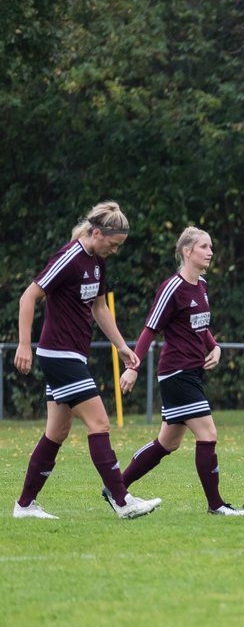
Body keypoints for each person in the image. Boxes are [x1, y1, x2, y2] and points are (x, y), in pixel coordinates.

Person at [11, 201, 162, 520]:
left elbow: (99, 307)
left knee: (56, 432)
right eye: (113, 243)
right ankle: (122, 501)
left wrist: (121, 346)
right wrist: (24, 344)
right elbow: (29, 296)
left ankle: (25, 505)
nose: (115, 250)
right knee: (99, 422)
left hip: (71, 355)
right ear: (96, 232)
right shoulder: (69, 257)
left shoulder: (97, 261)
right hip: (59, 355)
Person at [116, 227, 244, 516]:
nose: (210, 252)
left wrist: (215, 347)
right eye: (203, 246)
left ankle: (116, 488)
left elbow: (200, 325)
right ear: (187, 251)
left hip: (190, 373)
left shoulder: (201, 285)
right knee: (208, 433)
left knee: (168, 442)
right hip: (177, 374)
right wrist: (133, 368)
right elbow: (150, 329)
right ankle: (216, 506)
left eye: (211, 246)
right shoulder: (172, 288)